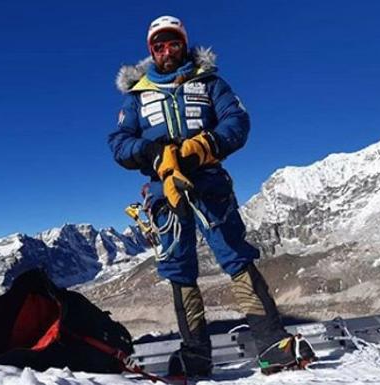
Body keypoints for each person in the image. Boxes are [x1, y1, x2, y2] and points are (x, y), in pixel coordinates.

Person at [108, 15, 316, 377]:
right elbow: (119, 143)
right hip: (164, 191)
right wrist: (154, 154)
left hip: (209, 183)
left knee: (235, 255)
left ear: (184, 44)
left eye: (173, 42)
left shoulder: (210, 84)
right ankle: (195, 355)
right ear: (151, 51)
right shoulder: (137, 97)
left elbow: (236, 122)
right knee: (178, 267)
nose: (167, 51)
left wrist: (203, 146)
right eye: (159, 45)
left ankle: (272, 343)